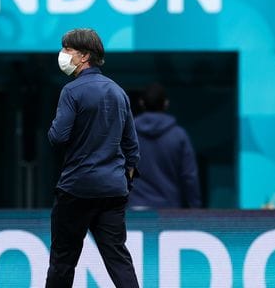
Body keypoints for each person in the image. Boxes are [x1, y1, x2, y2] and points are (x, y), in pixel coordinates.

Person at [46, 28, 140, 288]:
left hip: (77, 189)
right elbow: (132, 148)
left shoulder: (71, 92)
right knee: (118, 259)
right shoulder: (119, 92)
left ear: (85, 56)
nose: (63, 54)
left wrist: (53, 125)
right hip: (112, 191)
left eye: (68, 50)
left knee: (63, 261)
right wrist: (123, 183)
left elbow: (58, 137)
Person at [127, 83, 201, 209]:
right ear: (166, 104)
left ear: (141, 103)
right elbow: (189, 177)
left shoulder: (127, 134)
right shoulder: (179, 135)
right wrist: (195, 208)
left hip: (133, 209)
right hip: (168, 210)